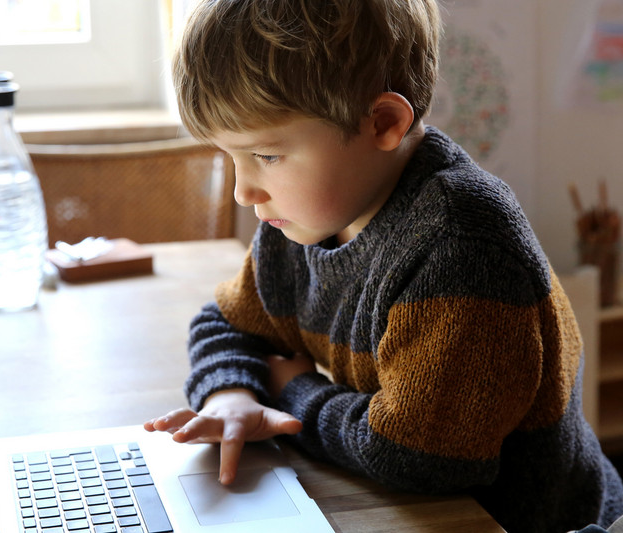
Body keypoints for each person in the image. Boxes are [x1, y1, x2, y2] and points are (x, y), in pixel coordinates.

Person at [143, 0, 623, 531]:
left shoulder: (461, 248)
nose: (242, 191)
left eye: (268, 156)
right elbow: (226, 322)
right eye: (229, 156)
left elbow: (416, 456)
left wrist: (293, 392)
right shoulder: (300, 223)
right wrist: (231, 394)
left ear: (384, 122)